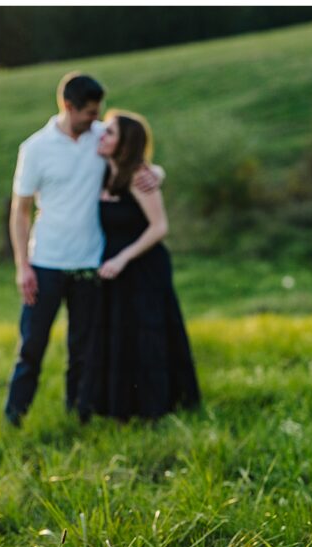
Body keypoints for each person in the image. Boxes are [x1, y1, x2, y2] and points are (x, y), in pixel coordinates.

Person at [5, 72, 160, 426]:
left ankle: (80, 414)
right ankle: (15, 415)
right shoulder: (35, 148)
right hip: (45, 262)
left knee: (84, 350)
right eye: (90, 112)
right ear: (68, 106)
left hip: (91, 263)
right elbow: (21, 211)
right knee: (32, 346)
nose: (96, 118)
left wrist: (158, 174)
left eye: (98, 111)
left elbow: (136, 163)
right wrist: (22, 265)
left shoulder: (101, 141)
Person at [78, 110, 200, 421]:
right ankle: (117, 407)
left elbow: (159, 227)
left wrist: (122, 259)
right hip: (112, 267)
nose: (101, 136)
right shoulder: (103, 172)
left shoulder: (139, 176)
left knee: (147, 336)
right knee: (118, 336)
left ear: (124, 143)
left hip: (143, 266)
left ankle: (154, 408)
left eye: (110, 133)